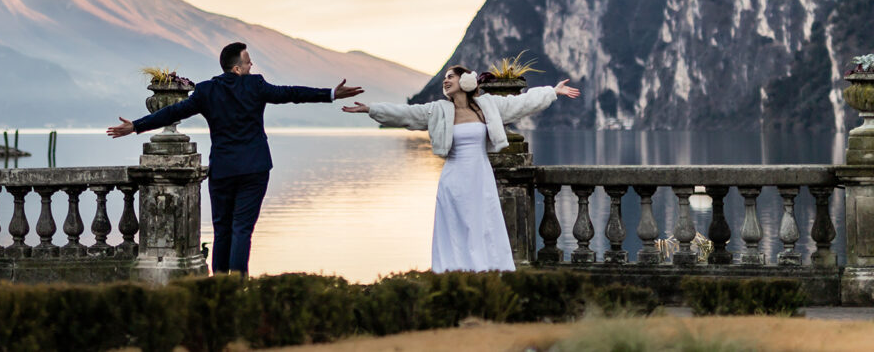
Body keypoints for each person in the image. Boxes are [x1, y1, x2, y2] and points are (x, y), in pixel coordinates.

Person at [108, 42, 363, 275]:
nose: (252, 65)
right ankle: (238, 286)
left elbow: (174, 112)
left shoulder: (207, 90)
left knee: (222, 229)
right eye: (248, 61)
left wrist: (136, 126)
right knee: (242, 229)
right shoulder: (256, 85)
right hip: (255, 168)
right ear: (237, 68)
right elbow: (291, 93)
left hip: (223, 170)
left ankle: (220, 283)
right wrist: (330, 93)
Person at [342, 65, 579, 272]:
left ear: (465, 81)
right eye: (445, 78)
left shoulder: (487, 106)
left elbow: (519, 103)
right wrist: (371, 109)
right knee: (455, 227)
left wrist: (552, 92)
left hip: (480, 176)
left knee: (483, 224)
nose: (446, 81)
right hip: (453, 178)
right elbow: (406, 114)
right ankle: (454, 272)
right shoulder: (438, 110)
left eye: (450, 77)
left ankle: (487, 271)